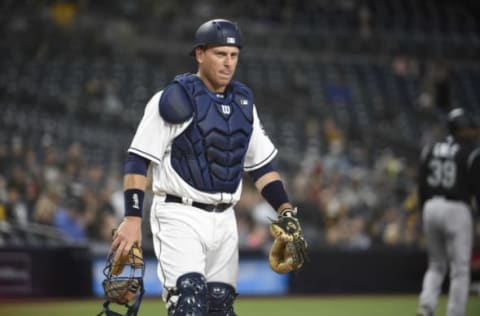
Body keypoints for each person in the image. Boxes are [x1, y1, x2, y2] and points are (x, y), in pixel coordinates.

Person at [110, 19, 304, 316]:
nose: (228, 63)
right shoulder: (174, 98)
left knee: (220, 309)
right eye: (220, 54)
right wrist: (132, 218)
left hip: (225, 219)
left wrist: (286, 211)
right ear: (200, 54)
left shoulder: (243, 103)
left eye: (233, 55)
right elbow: (138, 159)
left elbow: (263, 169)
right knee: (189, 303)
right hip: (179, 214)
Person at [416, 108, 480, 316]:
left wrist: (422, 212)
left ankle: (426, 305)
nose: (473, 130)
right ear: (461, 128)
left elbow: (421, 185)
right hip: (457, 208)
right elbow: (476, 188)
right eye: (469, 126)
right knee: (460, 269)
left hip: (431, 206)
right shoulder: (471, 151)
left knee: (435, 265)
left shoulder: (430, 148)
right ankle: (455, 312)